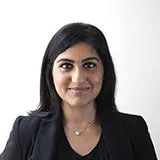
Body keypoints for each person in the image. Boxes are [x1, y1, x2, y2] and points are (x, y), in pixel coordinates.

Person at [0, 22, 157, 160]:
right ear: (50, 73)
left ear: (104, 72)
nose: (78, 78)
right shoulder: (25, 131)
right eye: (66, 66)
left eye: (89, 65)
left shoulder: (134, 130)